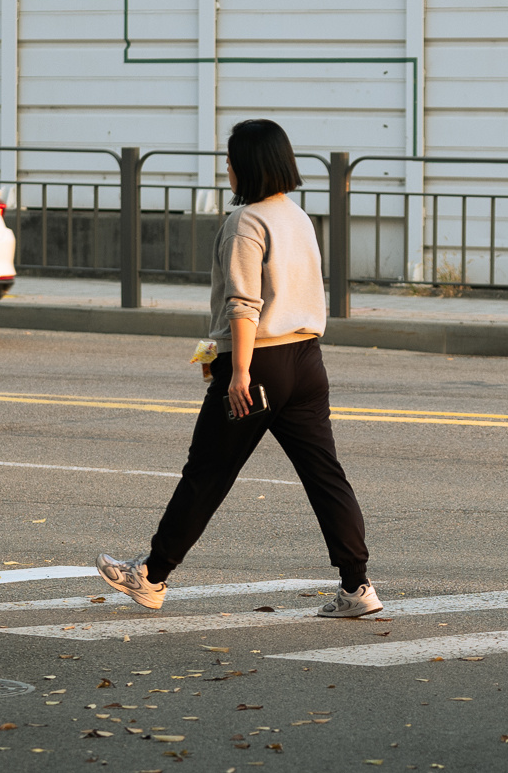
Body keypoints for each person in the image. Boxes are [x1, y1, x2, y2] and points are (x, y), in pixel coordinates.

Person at [95, 120, 379, 617]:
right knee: (325, 476)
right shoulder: (298, 217)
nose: (225, 169)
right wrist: (216, 355)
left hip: (260, 363)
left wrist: (239, 371)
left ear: (246, 166)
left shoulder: (245, 222)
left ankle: (151, 576)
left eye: (229, 161)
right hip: (307, 360)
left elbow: (243, 304)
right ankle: (357, 587)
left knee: (208, 472)